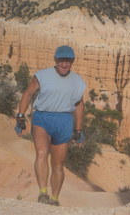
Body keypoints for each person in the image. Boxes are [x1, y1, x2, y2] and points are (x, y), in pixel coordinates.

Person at [15, 45, 86, 206]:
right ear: (55, 60)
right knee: (41, 153)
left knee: (58, 164)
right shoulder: (42, 75)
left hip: (64, 121)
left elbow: (80, 105)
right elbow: (27, 93)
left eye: (68, 61)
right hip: (42, 118)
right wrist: (20, 116)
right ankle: (43, 193)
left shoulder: (77, 81)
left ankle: (54, 199)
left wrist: (79, 130)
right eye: (61, 60)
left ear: (72, 61)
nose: (64, 64)